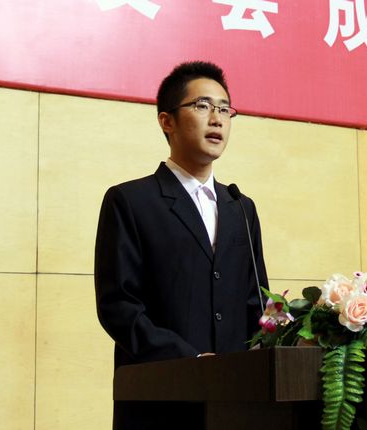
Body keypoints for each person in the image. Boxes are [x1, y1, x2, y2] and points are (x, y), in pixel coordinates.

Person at [94, 61, 268, 429]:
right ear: (167, 121)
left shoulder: (240, 207)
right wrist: (192, 361)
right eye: (203, 106)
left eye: (225, 109)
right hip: (160, 400)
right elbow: (119, 306)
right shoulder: (131, 201)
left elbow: (257, 303)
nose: (217, 119)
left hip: (236, 401)